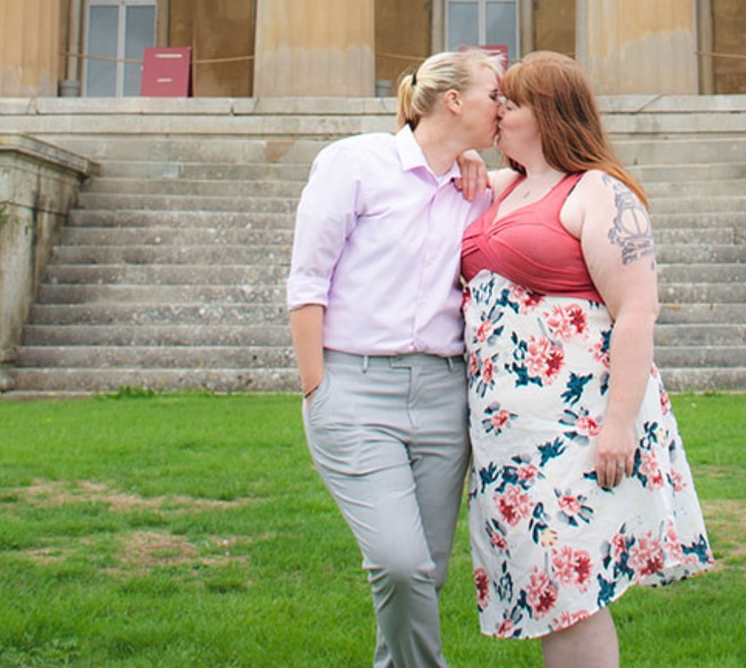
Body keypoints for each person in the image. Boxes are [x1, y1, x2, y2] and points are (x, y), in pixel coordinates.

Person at [461, 51, 712, 664]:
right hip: (507, 441)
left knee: (570, 587)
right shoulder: (505, 187)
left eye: (510, 102)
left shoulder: (598, 191)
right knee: (550, 593)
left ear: (545, 114)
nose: (497, 111)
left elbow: (636, 311)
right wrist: (462, 154)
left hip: (576, 429)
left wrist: (619, 425)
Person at [287, 47, 505, 668]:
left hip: (443, 395)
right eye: (496, 94)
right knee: (400, 564)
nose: (505, 107)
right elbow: (308, 282)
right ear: (455, 100)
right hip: (355, 391)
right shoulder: (355, 163)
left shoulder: (476, 187)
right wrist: (317, 388)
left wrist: (476, 167)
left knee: (424, 578)